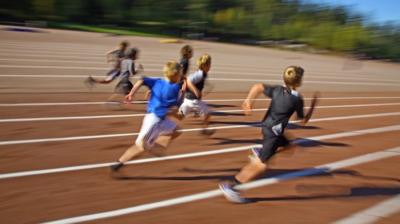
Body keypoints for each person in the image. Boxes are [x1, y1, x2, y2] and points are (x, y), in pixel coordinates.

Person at [219, 66, 319, 203]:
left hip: (266, 126)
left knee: (291, 146)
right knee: (262, 166)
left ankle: (260, 151)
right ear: (299, 82)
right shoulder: (297, 100)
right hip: (273, 134)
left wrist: (248, 101)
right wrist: (313, 107)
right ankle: (232, 187)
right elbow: (303, 122)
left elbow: (258, 86)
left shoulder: (277, 89)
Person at [110, 61, 184, 173]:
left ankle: (158, 146)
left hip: (159, 119)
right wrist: (178, 114)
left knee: (177, 130)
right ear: (174, 75)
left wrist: (131, 93)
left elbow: (142, 79)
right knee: (141, 146)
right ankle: (119, 163)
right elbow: (172, 110)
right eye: (180, 74)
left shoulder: (158, 81)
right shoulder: (174, 89)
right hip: (154, 121)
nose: (181, 76)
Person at [178, 53, 214, 135]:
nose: (210, 66)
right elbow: (188, 81)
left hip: (188, 100)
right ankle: (204, 130)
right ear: (205, 65)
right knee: (208, 113)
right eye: (209, 64)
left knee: (179, 116)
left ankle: (165, 117)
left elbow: (188, 81)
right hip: (193, 100)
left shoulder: (203, 74)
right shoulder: (200, 74)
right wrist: (196, 91)